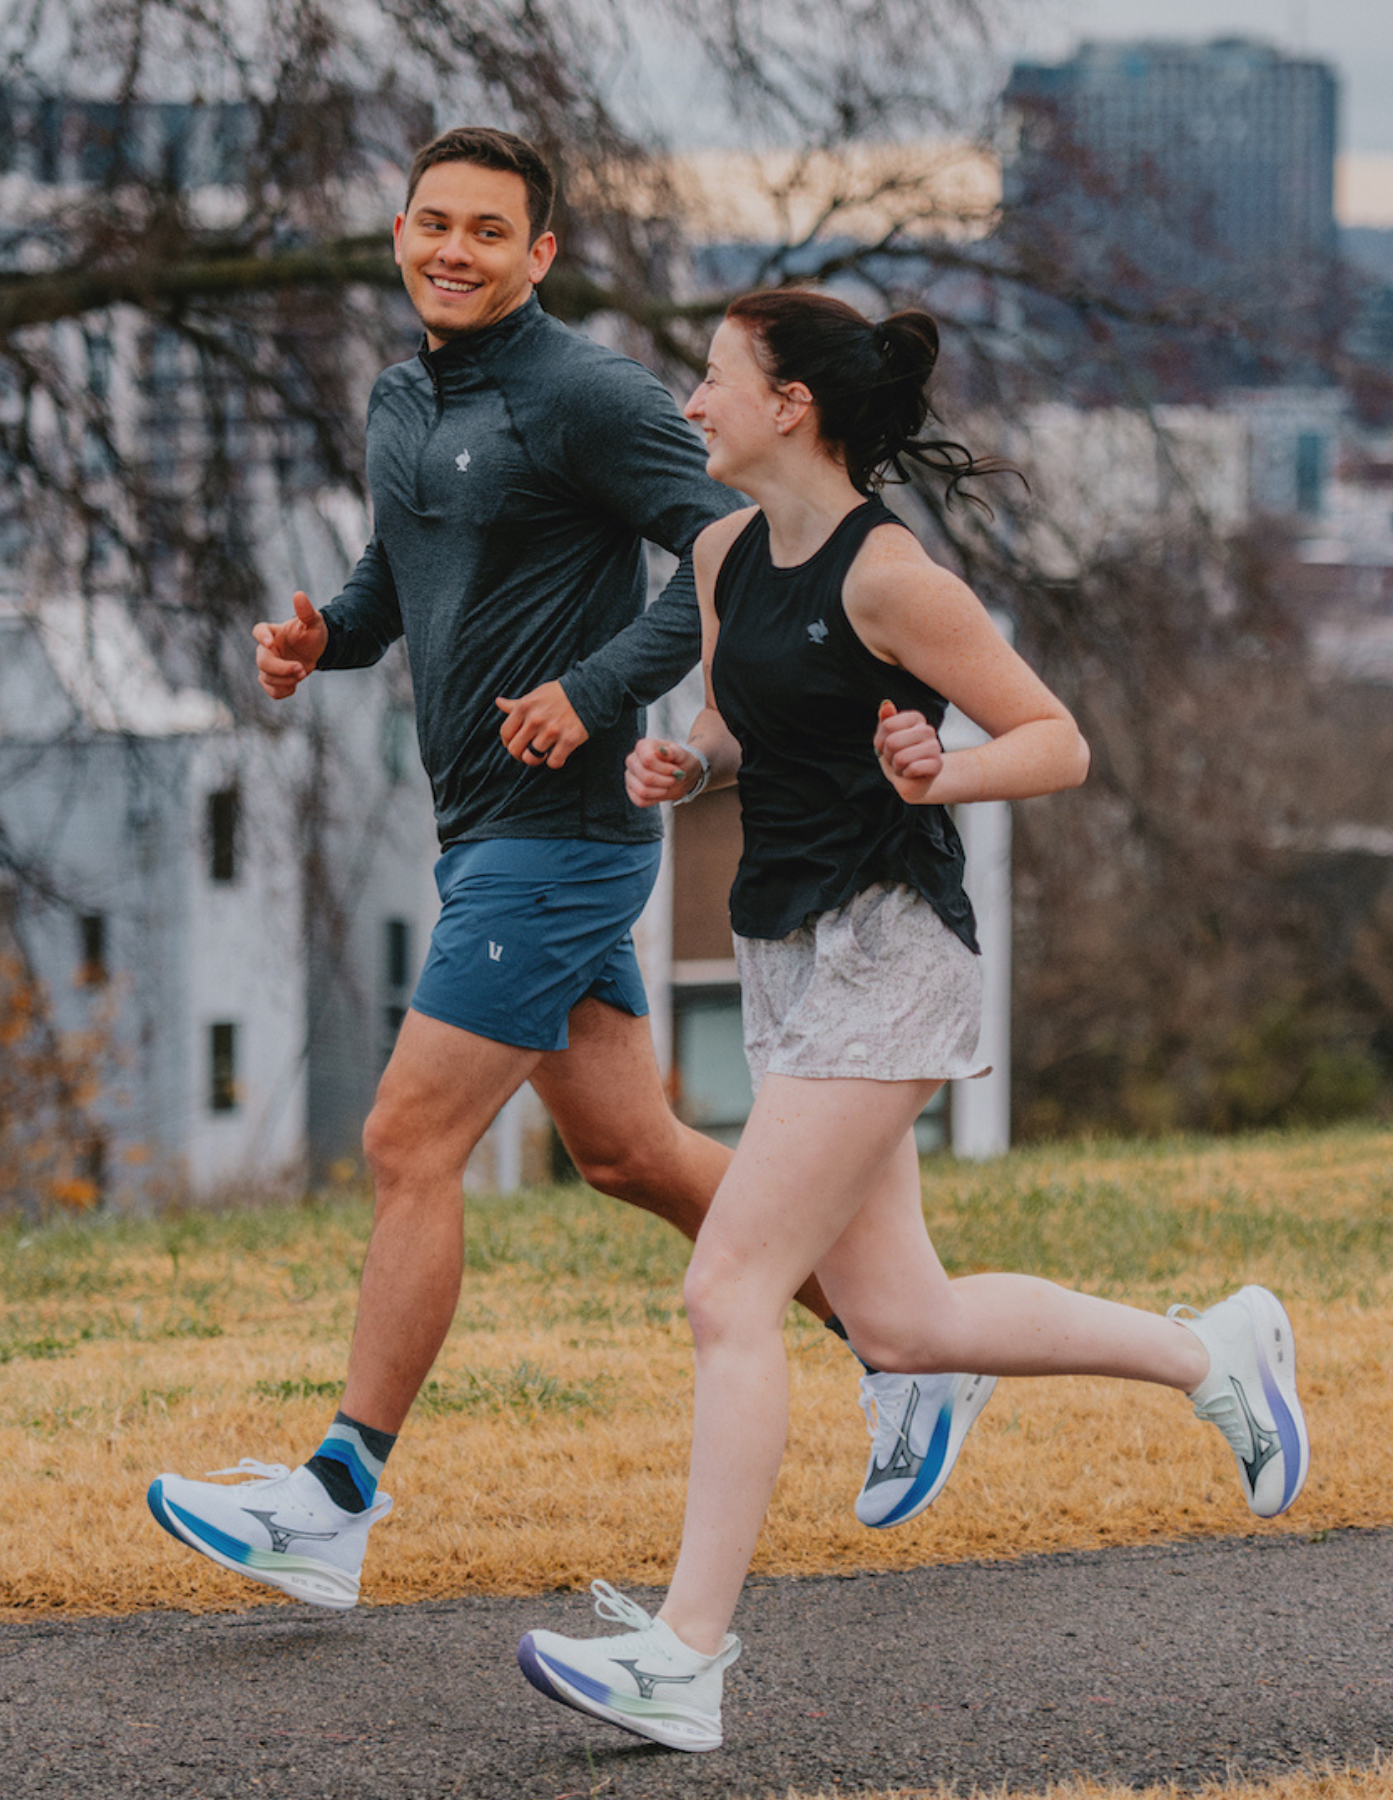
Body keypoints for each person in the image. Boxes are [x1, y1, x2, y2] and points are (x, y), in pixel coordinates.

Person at [146, 131, 990, 1610]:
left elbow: (734, 550)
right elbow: (400, 577)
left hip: (563, 837)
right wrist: (323, 641)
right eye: (430, 224)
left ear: (540, 254)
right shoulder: (405, 393)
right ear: (399, 235)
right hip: (482, 824)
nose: (451, 249)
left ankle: (335, 1500)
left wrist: (600, 691)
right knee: (633, 1152)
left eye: (487, 230)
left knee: (409, 1142)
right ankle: (902, 1352)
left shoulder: (584, 396)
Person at [516, 289, 1311, 1753]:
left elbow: (1056, 742)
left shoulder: (895, 580)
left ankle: (687, 1655)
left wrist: (941, 772)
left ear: (791, 405)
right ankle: (1220, 1357)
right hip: (786, 951)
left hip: (893, 949)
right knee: (904, 1319)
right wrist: (687, 767)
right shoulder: (717, 554)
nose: (691, 405)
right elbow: (748, 719)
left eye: (711, 379)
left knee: (729, 1293)